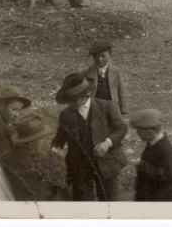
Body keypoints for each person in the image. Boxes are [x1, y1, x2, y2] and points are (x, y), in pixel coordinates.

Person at [51, 72, 128, 201]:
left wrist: (107, 143)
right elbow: (60, 138)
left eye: (73, 100)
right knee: (83, 203)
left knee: (109, 202)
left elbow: (121, 128)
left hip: (106, 163)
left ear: (84, 95)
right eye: (68, 101)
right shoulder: (66, 115)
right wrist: (54, 150)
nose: (70, 104)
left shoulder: (106, 106)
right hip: (79, 167)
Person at [130, 109, 172, 201]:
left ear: (149, 132)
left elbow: (170, 175)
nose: (137, 134)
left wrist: (145, 168)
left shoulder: (165, 149)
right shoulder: (152, 143)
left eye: (139, 131)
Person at [82, 41, 128, 115]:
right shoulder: (87, 72)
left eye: (103, 56)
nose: (99, 59)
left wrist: (123, 109)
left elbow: (121, 90)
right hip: (94, 107)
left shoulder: (115, 70)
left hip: (111, 106)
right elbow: (82, 92)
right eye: (95, 56)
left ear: (110, 55)